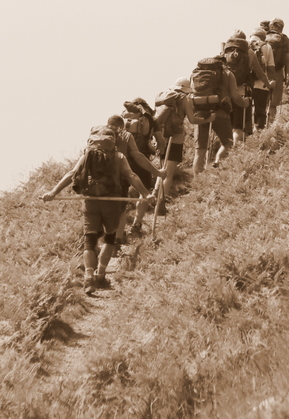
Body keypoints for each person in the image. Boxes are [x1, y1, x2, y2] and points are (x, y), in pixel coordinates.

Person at [41, 126, 155, 294]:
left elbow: (71, 174)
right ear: (113, 140)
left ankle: (88, 278)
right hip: (112, 202)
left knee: (90, 240)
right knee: (109, 238)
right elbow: (131, 176)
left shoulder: (87, 155)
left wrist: (53, 192)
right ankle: (100, 274)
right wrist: (146, 193)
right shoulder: (119, 156)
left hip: (90, 202)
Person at [106, 115, 167, 244]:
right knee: (123, 207)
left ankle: (97, 241)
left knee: (108, 206)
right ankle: (126, 233)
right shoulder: (128, 134)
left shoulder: (99, 135)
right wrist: (157, 172)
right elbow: (138, 156)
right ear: (122, 126)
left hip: (104, 175)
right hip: (124, 172)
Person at [154, 78, 216, 194]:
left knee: (162, 168)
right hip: (176, 136)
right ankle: (161, 199)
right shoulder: (185, 99)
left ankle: (155, 193)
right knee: (169, 172)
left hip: (160, 135)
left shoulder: (163, 96)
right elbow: (192, 120)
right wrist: (208, 119)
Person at [191, 55, 250, 173]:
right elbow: (235, 96)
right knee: (228, 143)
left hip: (200, 111)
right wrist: (244, 103)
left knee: (199, 151)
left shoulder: (196, 73)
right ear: (223, 63)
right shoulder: (227, 73)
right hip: (220, 111)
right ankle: (217, 163)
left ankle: (197, 180)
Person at [265, 18, 289, 122]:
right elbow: (288, 59)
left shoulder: (263, 37)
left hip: (262, 73)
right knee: (273, 103)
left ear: (270, 26)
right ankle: (270, 126)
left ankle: (258, 127)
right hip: (277, 73)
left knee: (261, 101)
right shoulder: (284, 39)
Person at [249, 28, 276, 130]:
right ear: (263, 38)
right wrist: (271, 82)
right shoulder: (267, 46)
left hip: (247, 84)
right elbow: (270, 67)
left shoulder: (245, 45)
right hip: (262, 84)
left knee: (247, 110)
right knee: (260, 110)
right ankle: (259, 131)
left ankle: (247, 132)